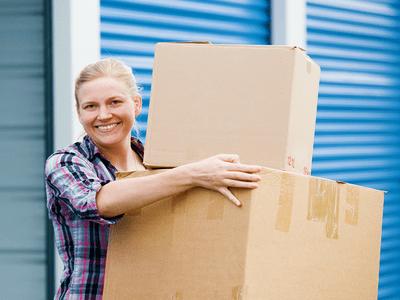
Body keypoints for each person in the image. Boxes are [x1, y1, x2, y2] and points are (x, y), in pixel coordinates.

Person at [45, 58, 262, 299]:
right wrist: (193, 174)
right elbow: (97, 202)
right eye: (91, 106)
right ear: (79, 113)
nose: (103, 115)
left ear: (136, 104)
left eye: (114, 102)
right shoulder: (65, 163)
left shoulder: (158, 164)